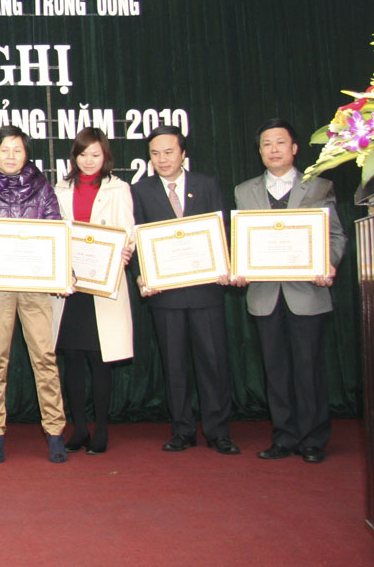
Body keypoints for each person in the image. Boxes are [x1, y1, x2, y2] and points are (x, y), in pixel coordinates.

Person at [231, 119, 345, 463]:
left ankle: (313, 439)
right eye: (267, 144)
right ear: (260, 151)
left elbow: (335, 236)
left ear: (294, 148)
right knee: (276, 370)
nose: (274, 149)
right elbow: (241, 241)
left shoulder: (319, 186)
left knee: (308, 370)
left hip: (307, 294)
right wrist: (238, 267)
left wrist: (329, 264)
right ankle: (283, 437)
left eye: (280, 142)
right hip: (265, 296)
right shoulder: (244, 191)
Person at [131, 125, 239, 454]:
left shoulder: (207, 184)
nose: (162, 159)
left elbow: (221, 230)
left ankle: (218, 431)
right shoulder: (140, 191)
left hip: (206, 291)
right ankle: (182, 430)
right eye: (155, 153)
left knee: (213, 363)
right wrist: (141, 275)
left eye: (169, 152)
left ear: (183, 154)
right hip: (165, 295)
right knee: (174, 366)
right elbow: (135, 238)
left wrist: (226, 264)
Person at [0, 125, 68, 464]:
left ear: (27, 153)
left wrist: (60, 271)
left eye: (17, 149)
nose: (11, 156)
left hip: (35, 285)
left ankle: (55, 431)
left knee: (45, 357)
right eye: (4, 149)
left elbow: (56, 229)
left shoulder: (43, 188)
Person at [52, 128, 135, 455]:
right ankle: (79, 428)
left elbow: (127, 233)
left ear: (105, 157)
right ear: (74, 157)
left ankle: (101, 429)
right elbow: (54, 232)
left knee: (101, 361)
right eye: (83, 154)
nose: (89, 161)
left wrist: (125, 250)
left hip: (103, 284)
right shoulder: (60, 188)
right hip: (71, 286)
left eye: (95, 155)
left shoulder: (118, 189)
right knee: (72, 359)